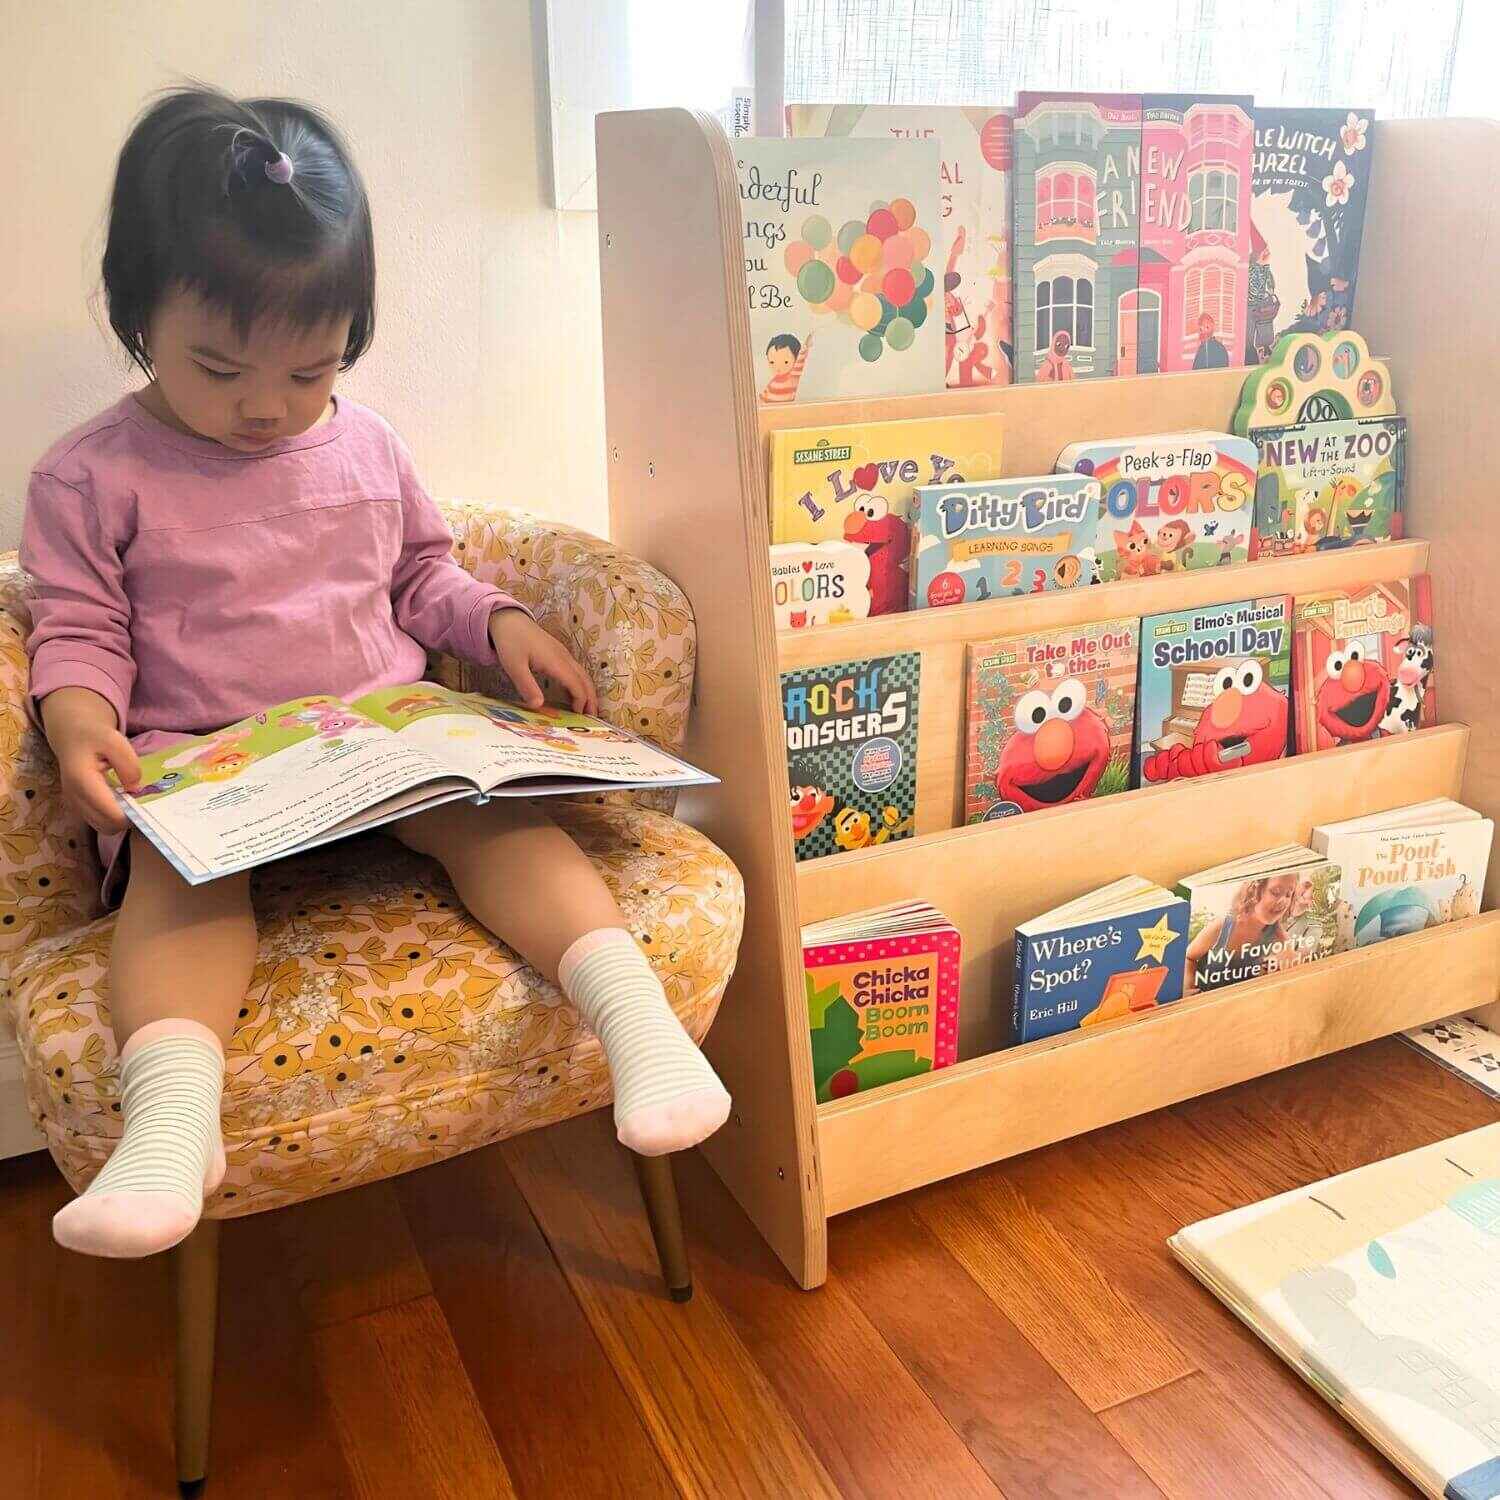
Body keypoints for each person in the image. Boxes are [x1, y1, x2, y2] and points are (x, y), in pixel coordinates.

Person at [23, 88, 730, 1259]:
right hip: (216, 775)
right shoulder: (89, 478)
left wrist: (497, 622)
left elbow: (420, 573)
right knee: (174, 882)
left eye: (309, 371)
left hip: (385, 743)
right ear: (134, 309)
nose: (268, 408)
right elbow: (79, 629)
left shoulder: (367, 444)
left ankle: (640, 1030)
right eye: (220, 367)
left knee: (503, 829)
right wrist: (82, 723)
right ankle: (170, 1129)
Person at [1182, 874, 1296, 995]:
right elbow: (1189, 957)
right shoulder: (1222, 927)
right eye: (1275, 892)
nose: (1283, 901)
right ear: (1255, 891)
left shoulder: (1279, 939)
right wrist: (1188, 989)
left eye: (1288, 895)